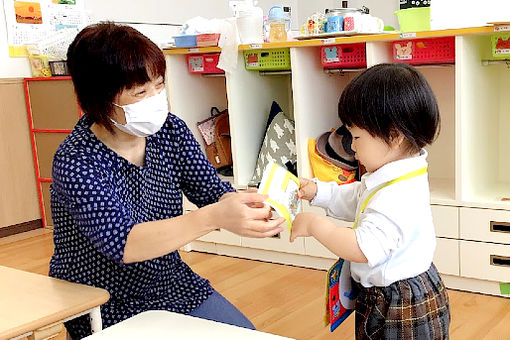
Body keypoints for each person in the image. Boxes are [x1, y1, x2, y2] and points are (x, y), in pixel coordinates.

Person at [49, 22, 284, 339]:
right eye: (140, 92)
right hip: (100, 296)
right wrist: (215, 216)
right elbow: (125, 244)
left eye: (159, 85)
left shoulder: (169, 130)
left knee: (246, 334)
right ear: (100, 99)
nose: (156, 98)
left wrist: (242, 205)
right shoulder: (76, 160)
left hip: (167, 279)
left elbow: (211, 190)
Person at [290, 63, 450, 339]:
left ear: (394, 136)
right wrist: (320, 192)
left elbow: (362, 248)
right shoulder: (397, 171)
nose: (351, 146)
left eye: (357, 137)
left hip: (398, 305)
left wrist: (316, 226)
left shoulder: (397, 195)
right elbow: (360, 198)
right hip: (398, 291)